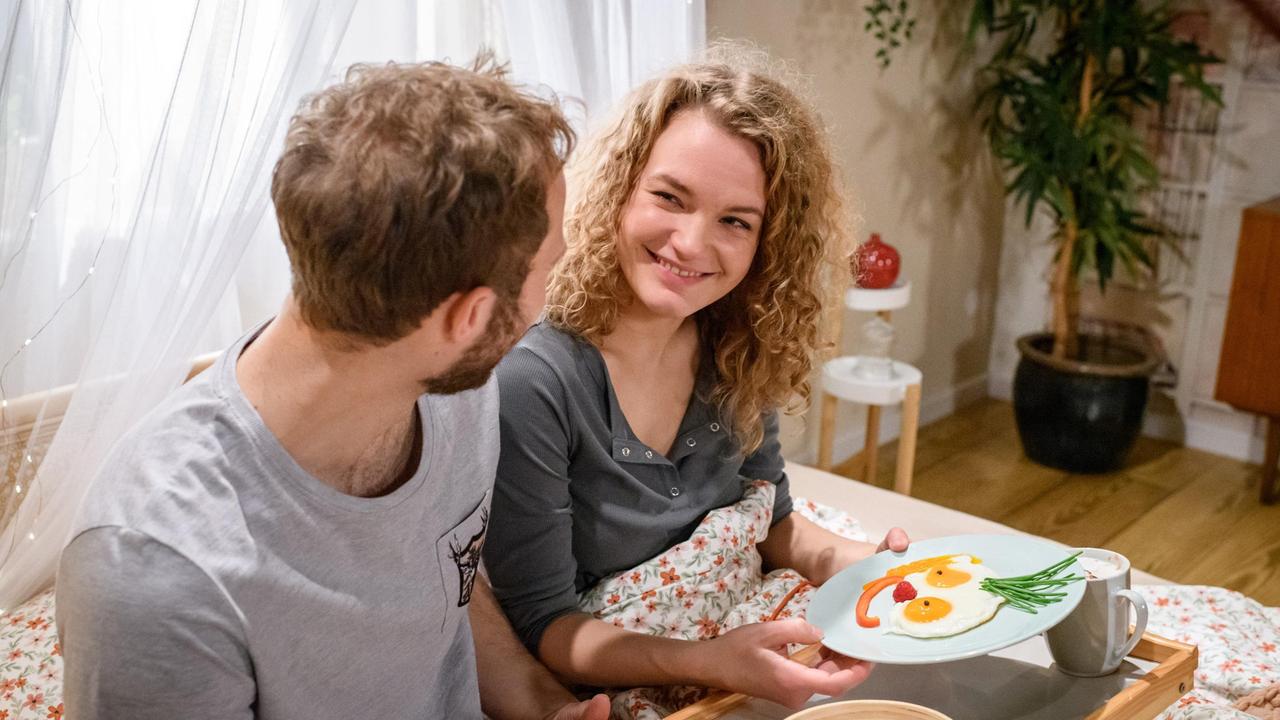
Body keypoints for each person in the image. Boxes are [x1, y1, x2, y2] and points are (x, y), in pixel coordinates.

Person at [55, 59, 608, 720]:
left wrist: (542, 703)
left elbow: (442, 588)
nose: (552, 296)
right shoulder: (154, 573)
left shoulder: (456, 387)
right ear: (469, 317)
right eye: (554, 266)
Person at [483, 53, 911, 710]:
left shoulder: (739, 340)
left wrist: (856, 562)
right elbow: (547, 624)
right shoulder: (535, 381)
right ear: (620, 187)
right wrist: (713, 662)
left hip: (744, 626)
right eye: (669, 198)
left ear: (767, 240)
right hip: (629, 661)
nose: (690, 243)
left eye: (734, 221)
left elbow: (775, 521)